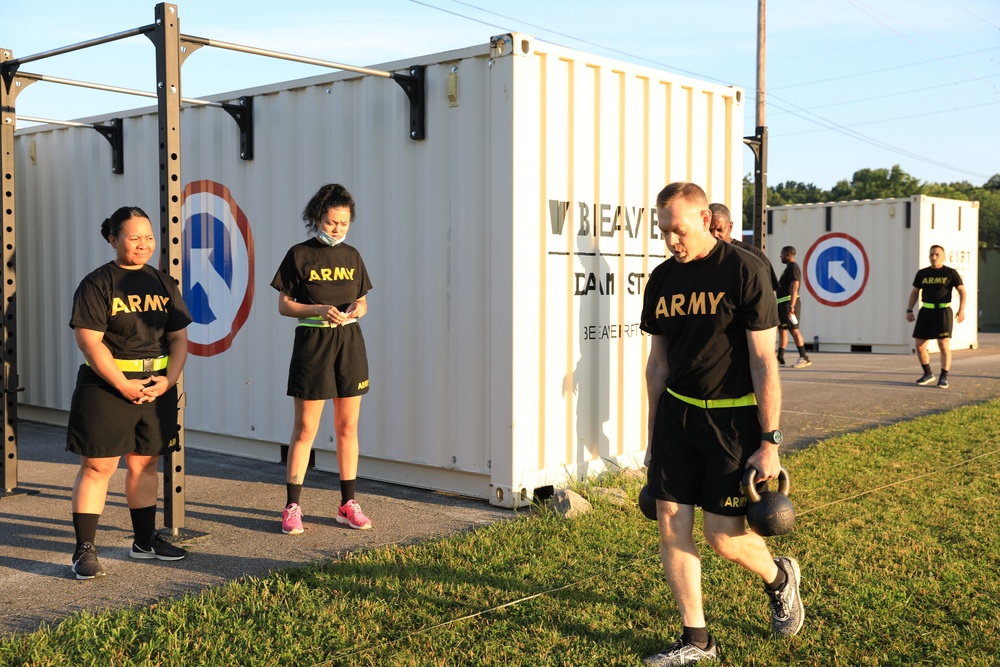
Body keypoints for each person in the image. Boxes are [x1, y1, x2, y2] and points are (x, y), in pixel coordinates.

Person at [640, 183, 803, 666]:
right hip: (677, 414)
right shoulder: (661, 279)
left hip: (733, 420)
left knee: (724, 537)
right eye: (664, 231)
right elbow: (657, 365)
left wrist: (770, 440)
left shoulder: (745, 269)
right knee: (671, 522)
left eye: (679, 230)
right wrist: (652, 436)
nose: (672, 241)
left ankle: (779, 577)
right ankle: (697, 639)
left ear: (705, 219)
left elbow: (764, 362)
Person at [67, 206, 192, 580]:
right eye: (134, 237)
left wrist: (167, 381)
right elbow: (90, 343)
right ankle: (84, 549)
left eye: (148, 237)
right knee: (99, 466)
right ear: (113, 239)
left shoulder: (163, 283)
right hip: (107, 387)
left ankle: (143, 541)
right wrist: (122, 384)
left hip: (156, 388)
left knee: (145, 464)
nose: (143, 245)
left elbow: (179, 338)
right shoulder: (97, 283)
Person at [271, 183, 374, 534]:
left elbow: (363, 301)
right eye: (332, 222)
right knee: (305, 429)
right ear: (317, 217)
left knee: (347, 427)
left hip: (348, 343)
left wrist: (358, 308)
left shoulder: (353, 256)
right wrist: (318, 309)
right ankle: (292, 506)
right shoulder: (299, 254)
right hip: (313, 343)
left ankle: (347, 504)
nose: (337, 229)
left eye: (344, 223)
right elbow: (284, 305)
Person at [906, 244, 966, 389]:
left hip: (943, 311)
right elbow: (915, 293)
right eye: (931, 254)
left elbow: (962, 291)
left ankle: (943, 377)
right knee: (920, 346)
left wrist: (961, 310)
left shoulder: (950, 273)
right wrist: (909, 310)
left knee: (943, 345)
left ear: (943, 256)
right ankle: (928, 374)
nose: (934, 257)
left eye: (937, 254)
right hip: (926, 311)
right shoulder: (922, 273)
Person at [708, 203, 779, 292]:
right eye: (709, 230)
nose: (714, 235)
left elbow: (768, 295)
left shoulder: (753, 256)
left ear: (730, 227)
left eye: (720, 230)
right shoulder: (695, 257)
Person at [775, 246, 812, 368]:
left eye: (782, 254)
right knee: (782, 330)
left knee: (793, 329)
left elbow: (795, 286)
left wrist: (792, 305)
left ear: (788, 254)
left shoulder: (793, 267)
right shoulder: (788, 268)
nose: (780, 256)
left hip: (788, 303)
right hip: (782, 303)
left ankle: (804, 357)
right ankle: (780, 358)